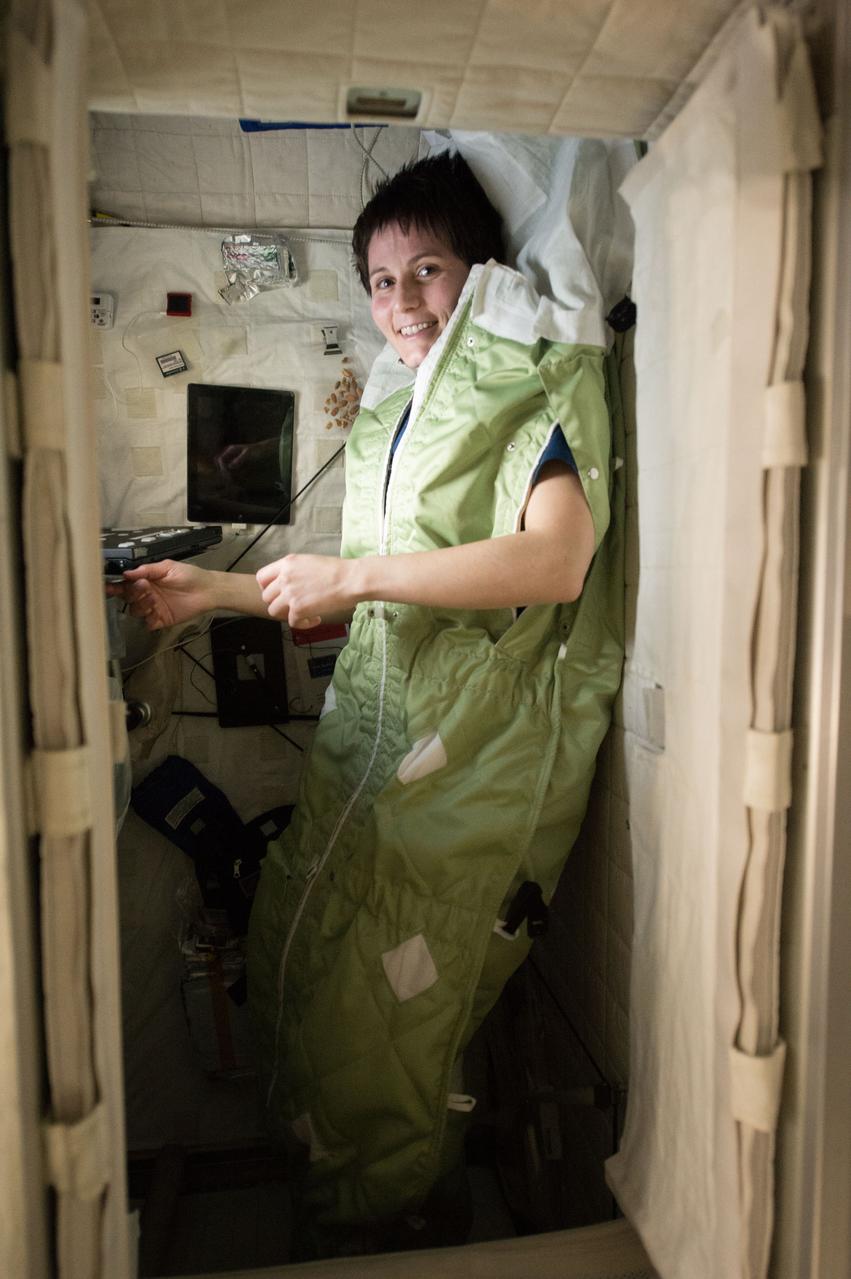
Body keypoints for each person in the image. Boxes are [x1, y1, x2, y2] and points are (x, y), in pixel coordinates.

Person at [114, 152, 624, 1255]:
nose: (401, 302)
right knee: (301, 973)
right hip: (377, 755)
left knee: (379, 1023)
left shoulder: (518, 388)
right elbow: (374, 593)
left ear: (477, 275)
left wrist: (351, 578)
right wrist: (217, 592)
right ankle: (353, 1210)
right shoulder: (403, 420)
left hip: (468, 759)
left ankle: (395, 1227)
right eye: (381, 282)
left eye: (427, 270)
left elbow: (552, 564)